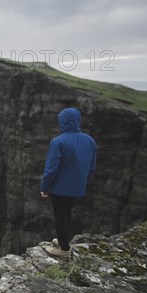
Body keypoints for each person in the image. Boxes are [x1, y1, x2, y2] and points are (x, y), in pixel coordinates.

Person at [40, 107, 97, 260]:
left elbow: (51, 169)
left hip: (60, 188)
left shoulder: (58, 141)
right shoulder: (89, 140)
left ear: (62, 122)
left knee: (60, 216)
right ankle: (63, 239)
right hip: (78, 187)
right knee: (67, 214)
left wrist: (44, 187)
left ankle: (64, 249)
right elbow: (92, 167)